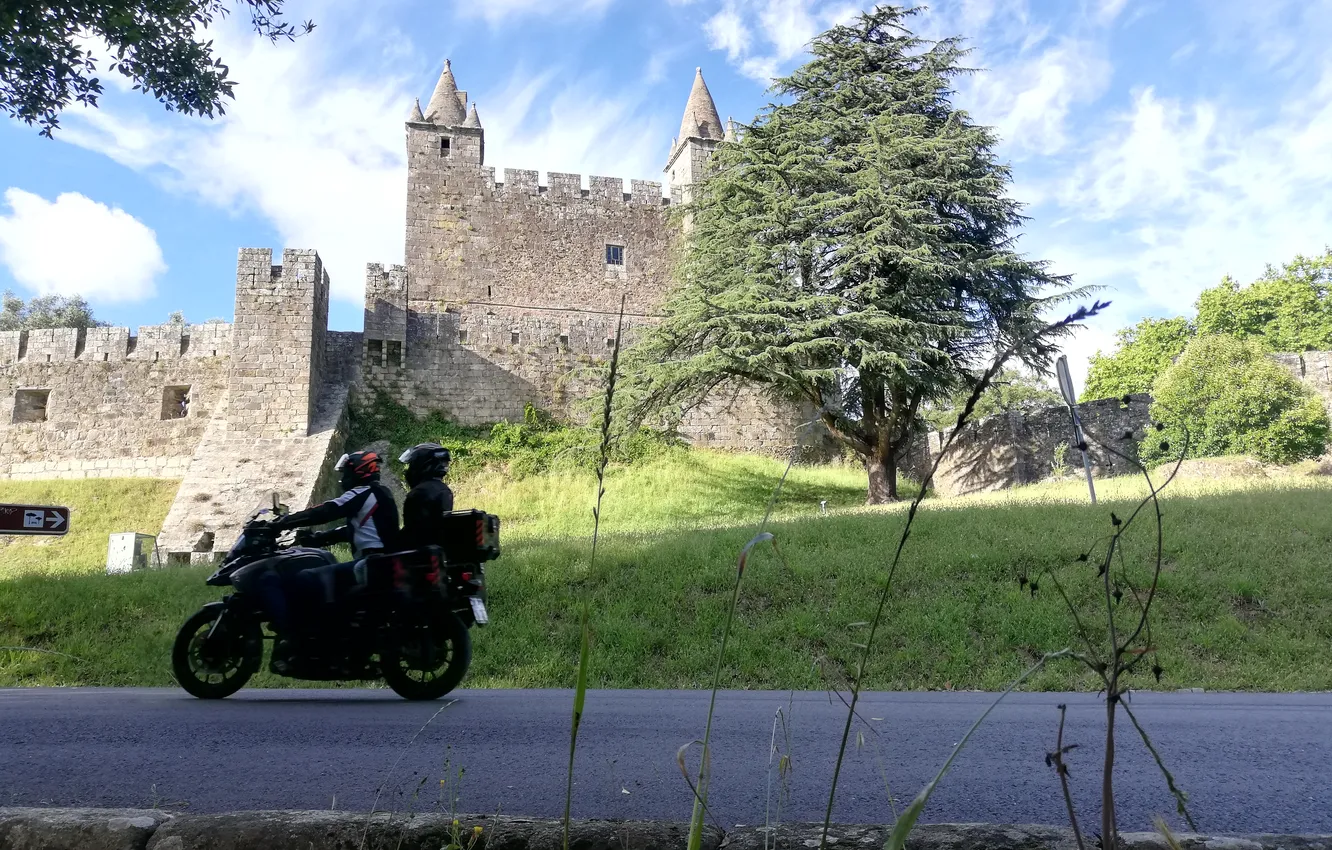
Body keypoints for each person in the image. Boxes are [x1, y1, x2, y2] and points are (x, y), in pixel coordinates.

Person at [264, 449, 402, 671]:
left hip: (371, 562)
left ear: (358, 472)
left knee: (307, 578)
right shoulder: (380, 494)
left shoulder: (362, 493)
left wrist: (285, 521)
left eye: (346, 472)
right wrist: (318, 538)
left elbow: (326, 510)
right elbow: (354, 530)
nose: (342, 478)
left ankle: (302, 639)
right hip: (381, 561)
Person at [398, 443, 454, 550]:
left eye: (412, 465)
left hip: (419, 551)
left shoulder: (420, 492)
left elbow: (412, 530)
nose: (410, 470)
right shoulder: (444, 490)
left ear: (422, 464)